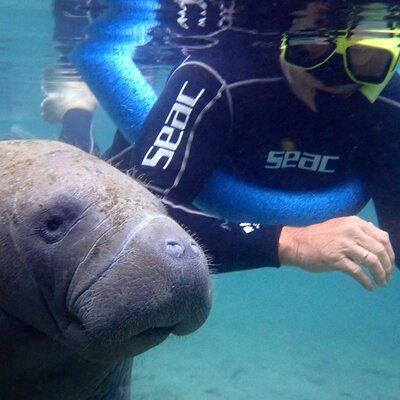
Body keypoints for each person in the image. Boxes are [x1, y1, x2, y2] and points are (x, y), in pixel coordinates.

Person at [44, 0, 398, 291]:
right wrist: (290, 242)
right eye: (313, 50)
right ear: (284, 39)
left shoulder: (389, 105)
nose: (335, 77)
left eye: (366, 59)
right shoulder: (215, 78)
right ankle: (76, 112)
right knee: (76, 210)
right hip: (193, 155)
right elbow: (138, 219)